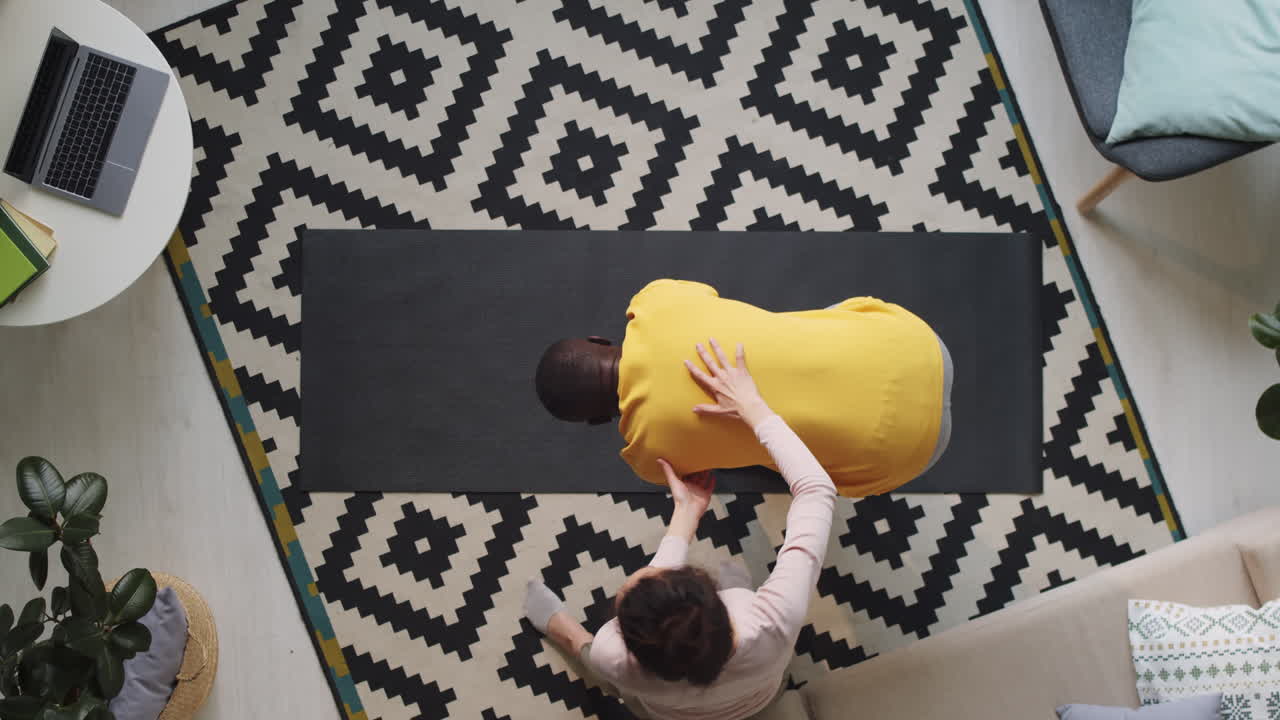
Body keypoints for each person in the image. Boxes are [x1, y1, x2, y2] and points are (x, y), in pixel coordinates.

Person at [524, 339, 837, 719]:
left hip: (662, 710)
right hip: (760, 696)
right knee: (747, 602)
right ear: (705, 590)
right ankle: (737, 586)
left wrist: (684, 517)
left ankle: (567, 633)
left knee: (593, 658)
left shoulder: (614, 656)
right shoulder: (773, 620)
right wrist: (753, 408)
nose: (648, 570)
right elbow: (817, 490)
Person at [535, 279, 953, 497]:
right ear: (597, 341)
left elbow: (699, 475)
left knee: (767, 459)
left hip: (910, 453)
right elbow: (701, 293)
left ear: (595, 420)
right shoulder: (655, 300)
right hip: (916, 343)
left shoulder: (649, 457)